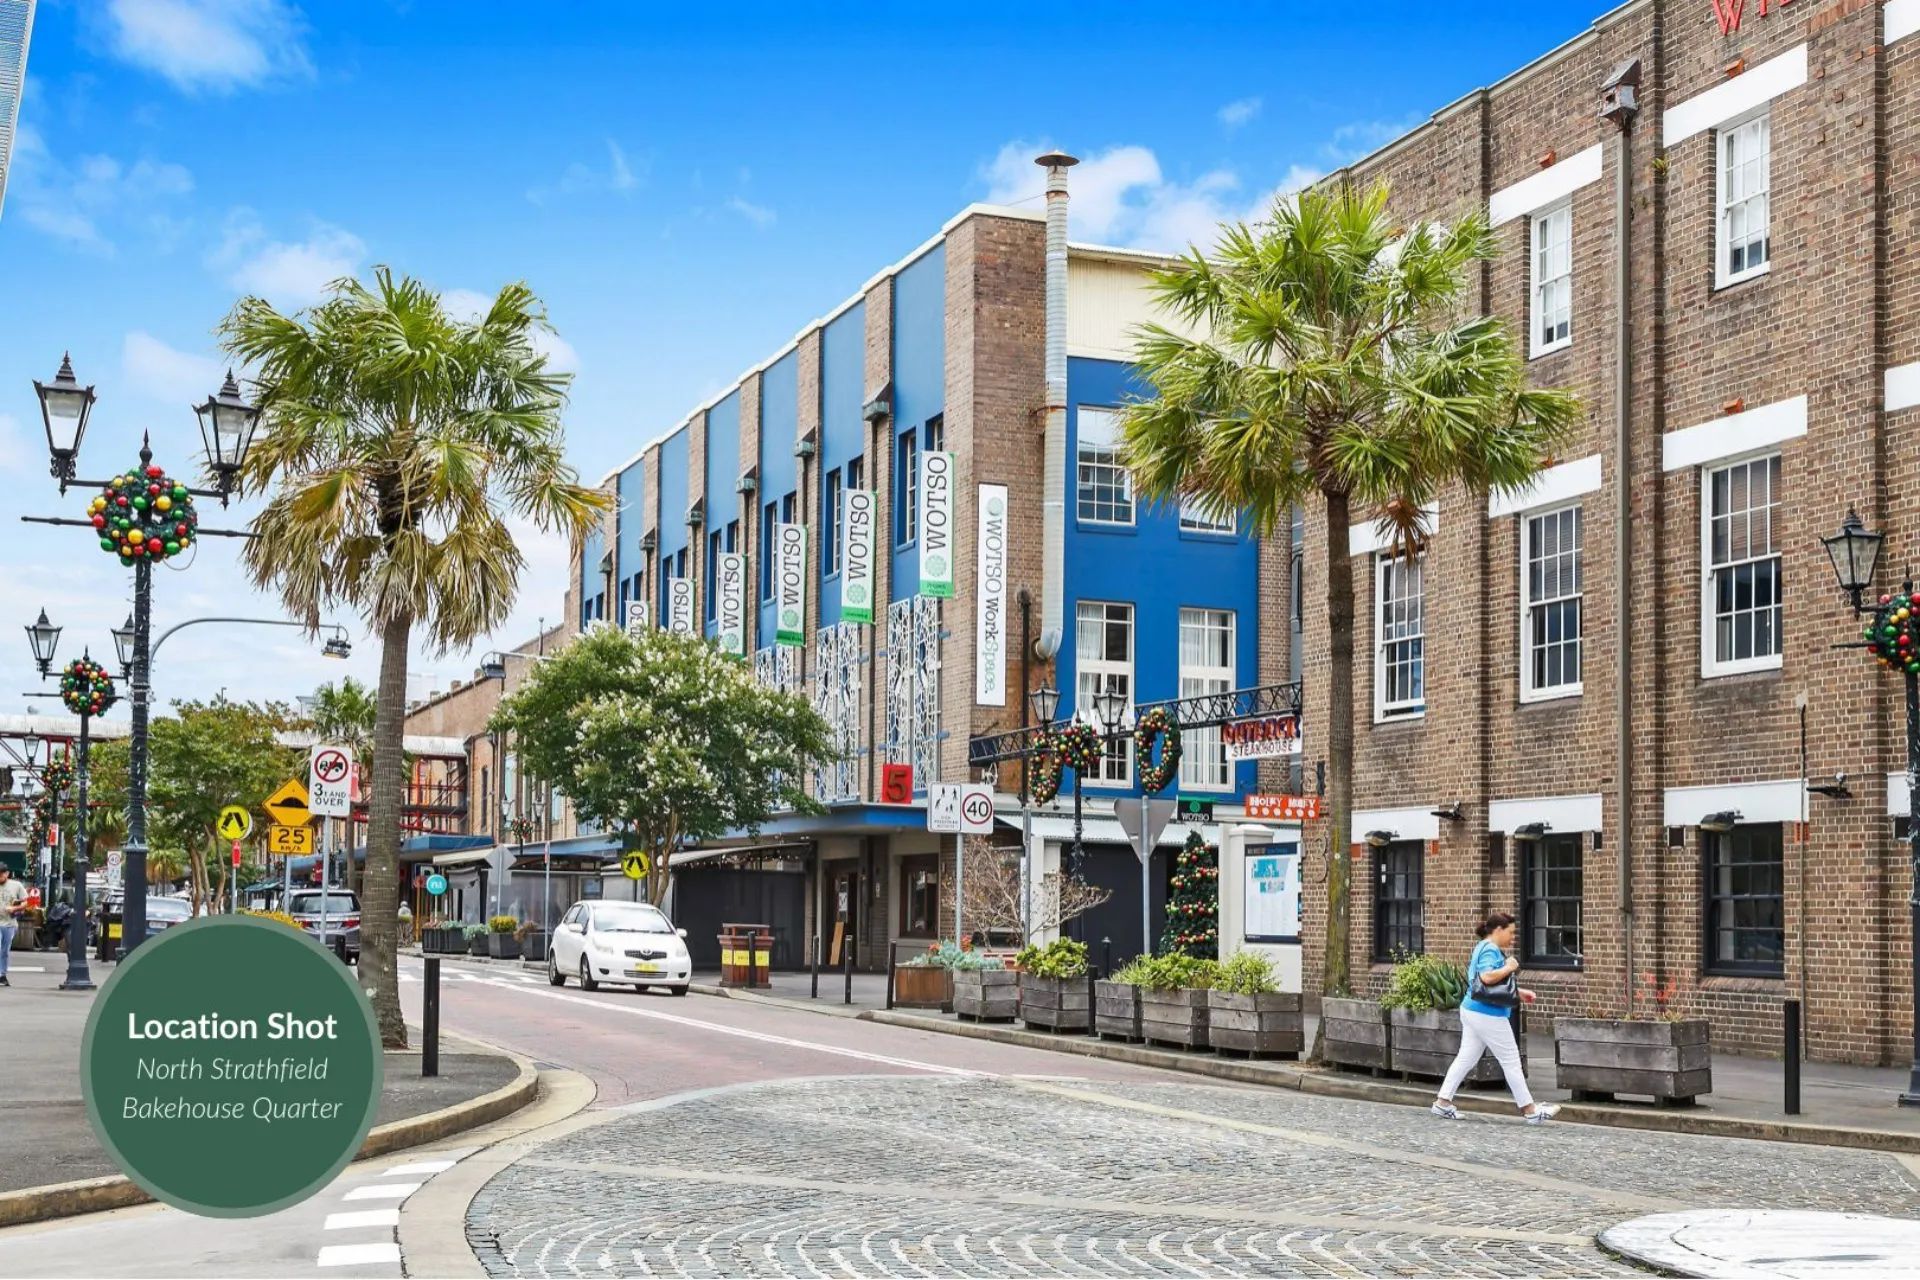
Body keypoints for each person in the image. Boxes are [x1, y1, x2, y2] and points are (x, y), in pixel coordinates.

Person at [1430, 911, 1558, 1124]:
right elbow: (1487, 978)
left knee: (1466, 1058)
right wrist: (1509, 967)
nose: (1513, 938)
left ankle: (1442, 1103)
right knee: (1511, 1060)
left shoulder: (1482, 946)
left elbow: (1488, 985)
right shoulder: (1490, 949)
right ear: (1498, 930)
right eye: (1511, 932)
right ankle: (1530, 1110)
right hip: (1488, 1014)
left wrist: (1519, 992)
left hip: (1473, 1009)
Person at [0, 865, 28, 987]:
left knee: (4, 950)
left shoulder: (16, 885)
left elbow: (26, 902)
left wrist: (15, 908)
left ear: (7, 873)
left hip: (9, 923)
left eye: (1, 875)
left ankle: (2, 974)